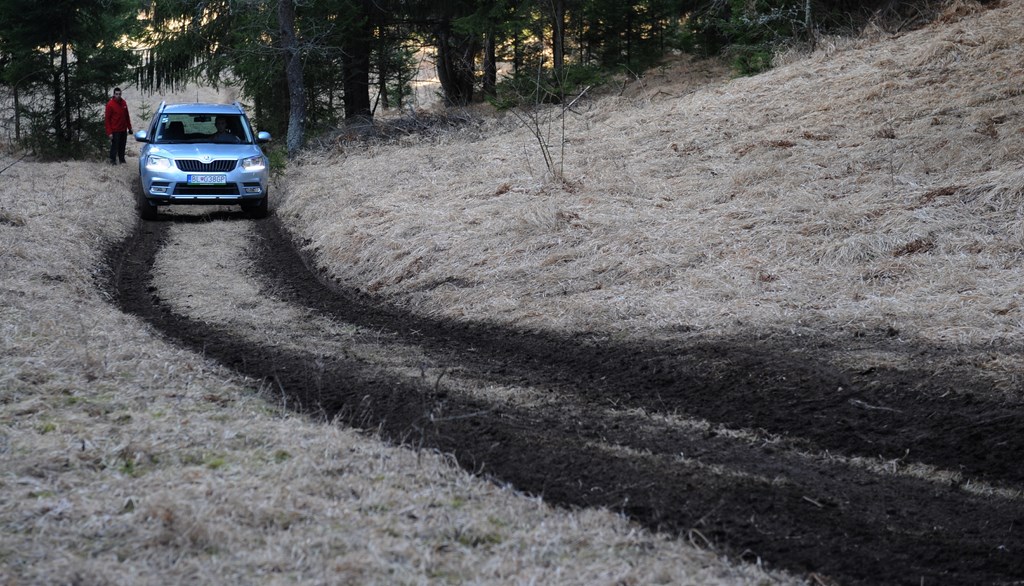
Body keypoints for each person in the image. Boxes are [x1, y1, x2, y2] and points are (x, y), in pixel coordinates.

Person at [104, 87, 132, 164]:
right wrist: (109, 132)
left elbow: (127, 116)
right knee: (115, 146)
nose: (118, 95)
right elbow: (107, 120)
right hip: (115, 129)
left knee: (122, 146)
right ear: (114, 94)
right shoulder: (110, 104)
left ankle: (122, 159)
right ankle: (112, 160)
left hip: (123, 129)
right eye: (116, 94)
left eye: (119, 94)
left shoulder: (124, 103)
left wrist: (129, 127)